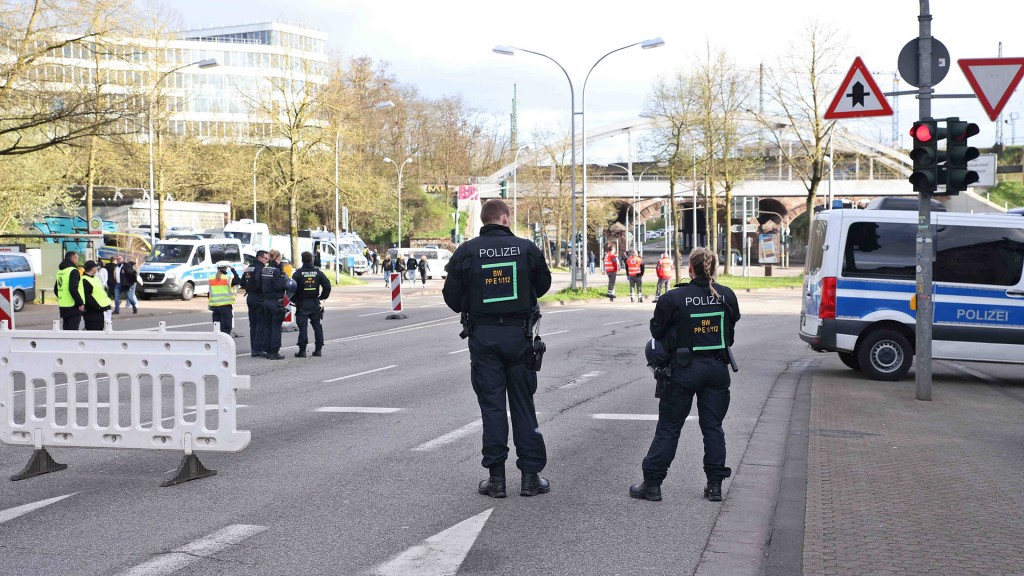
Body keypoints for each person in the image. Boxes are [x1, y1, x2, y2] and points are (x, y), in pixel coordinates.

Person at [443, 199, 553, 499]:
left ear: (484, 220)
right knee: (523, 405)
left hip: (483, 338)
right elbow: (543, 284)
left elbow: (452, 298)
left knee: (492, 408)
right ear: (504, 218)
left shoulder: (467, 251)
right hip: (519, 336)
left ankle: (497, 479)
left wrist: (475, 302)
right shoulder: (526, 248)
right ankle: (530, 478)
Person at [630, 247, 741, 503]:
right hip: (717, 369)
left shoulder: (674, 298)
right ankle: (715, 485)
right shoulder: (726, 295)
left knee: (669, 428)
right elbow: (730, 333)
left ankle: (653, 484)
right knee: (713, 427)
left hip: (682, 371)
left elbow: (656, 332)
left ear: (690, 268)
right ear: (713, 268)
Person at [292, 251, 331, 357]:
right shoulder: (318, 273)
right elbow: (327, 286)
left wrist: (294, 300)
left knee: (303, 328)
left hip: (302, 303)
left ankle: (302, 351)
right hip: (314, 303)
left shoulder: (298, 274)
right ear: (312, 260)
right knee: (317, 326)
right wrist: (322, 297)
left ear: (302, 260)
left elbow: (291, 288)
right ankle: (318, 350)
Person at [260, 249, 289, 360]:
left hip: (265, 301)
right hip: (275, 301)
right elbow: (278, 286)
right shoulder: (276, 271)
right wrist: (285, 281)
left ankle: (267, 350)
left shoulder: (265, 269)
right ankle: (274, 352)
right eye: (279, 258)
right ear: (277, 258)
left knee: (268, 327)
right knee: (276, 327)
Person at [243, 250, 268, 357]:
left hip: (250, 297)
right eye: (265, 258)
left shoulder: (249, 268)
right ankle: (259, 349)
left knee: (253, 324)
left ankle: (254, 349)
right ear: (260, 258)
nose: (267, 261)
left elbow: (242, 282)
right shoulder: (261, 268)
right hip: (259, 297)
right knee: (260, 324)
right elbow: (259, 283)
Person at [209, 261, 243, 336]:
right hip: (225, 307)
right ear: (225, 268)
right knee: (226, 329)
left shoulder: (211, 278)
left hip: (215, 307)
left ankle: (218, 342)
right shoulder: (228, 278)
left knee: (217, 329)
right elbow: (238, 280)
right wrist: (233, 269)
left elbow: (210, 293)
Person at [54, 251, 84, 331]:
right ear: (73, 259)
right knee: (73, 332)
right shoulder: (73, 271)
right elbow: (73, 289)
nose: (77, 261)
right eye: (77, 259)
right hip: (73, 306)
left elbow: (56, 290)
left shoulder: (60, 272)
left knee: (66, 331)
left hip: (63, 306)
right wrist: (80, 303)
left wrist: (63, 298)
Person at [81, 260, 112, 331]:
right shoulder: (84, 280)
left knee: (100, 330)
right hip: (93, 311)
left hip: (100, 310)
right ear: (93, 269)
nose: (96, 269)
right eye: (95, 267)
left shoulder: (95, 278)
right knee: (94, 332)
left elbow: (100, 292)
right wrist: (98, 307)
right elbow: (88, 297)